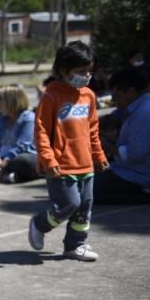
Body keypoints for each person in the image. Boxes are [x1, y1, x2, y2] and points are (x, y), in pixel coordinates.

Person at [28, 41, 110, 261]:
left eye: (89, 72)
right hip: (60, 165)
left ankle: (75, 245)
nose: (86, 76)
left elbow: (93, 128)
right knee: (69, 204)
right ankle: (39, 224)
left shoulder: (89, 96)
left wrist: (99, 155)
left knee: (84, 207)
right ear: (64, 70)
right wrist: (48, 159)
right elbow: (41, 131)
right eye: (80, 72)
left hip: (85, 164)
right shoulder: (51, 96)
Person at [94, 67, 150, 204]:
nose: (115, 101)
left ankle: (145, 194)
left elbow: (135, 154)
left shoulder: (144, 113)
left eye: (117, 96)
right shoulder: (138, 107)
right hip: (130, 168)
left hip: (142, 175)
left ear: (131, 92)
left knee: (86, 190)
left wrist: (107, 145)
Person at [0, 85, 39, 184]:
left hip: (21, 155)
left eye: (1, 99)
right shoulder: (1, 119)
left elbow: (22, 145)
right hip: (3, 158)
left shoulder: (29, 118)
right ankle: (10, 175)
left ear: (11, 101)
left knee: (22, 161)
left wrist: (4, 163)